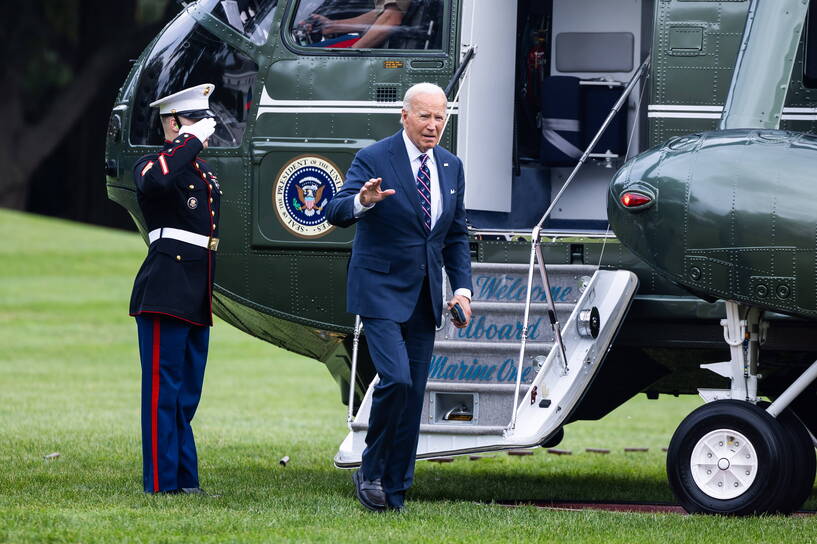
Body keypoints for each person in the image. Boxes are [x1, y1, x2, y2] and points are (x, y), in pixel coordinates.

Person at [326, 82, 473, 512]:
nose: (433, 126)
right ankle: (369, 471)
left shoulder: (451, 166)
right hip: (379, 291)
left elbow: (455, 235)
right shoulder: (374, 158)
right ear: (404, 116)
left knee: (413, 396)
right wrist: (362, 201)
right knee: (397, 380)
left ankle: (394, 488)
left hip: (426, 297)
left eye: (440, 117)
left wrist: (461, 290)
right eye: (425, 116)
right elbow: (334, 210)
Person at [129, 83, 222, 495]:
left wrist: (189, 143)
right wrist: (187, 141)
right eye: (193, 121)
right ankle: (161, 483)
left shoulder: (199, 171)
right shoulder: (153, 165)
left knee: (186, 394)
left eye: (205, 121)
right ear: (172, 124)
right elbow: (157, 186)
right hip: (165, 290)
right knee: (161, 393)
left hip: (195, 292)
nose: (204, 131)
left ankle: (186, 480)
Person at [304, 0, 410, 48]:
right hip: (388, 43)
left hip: (394, 47)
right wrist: (332, 25)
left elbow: (391, 18)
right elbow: (381, 13)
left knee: (307, 54)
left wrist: (351, 53)